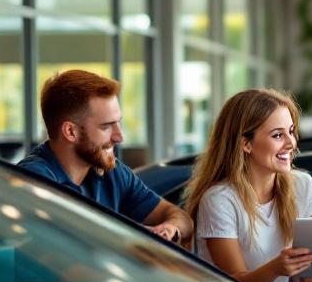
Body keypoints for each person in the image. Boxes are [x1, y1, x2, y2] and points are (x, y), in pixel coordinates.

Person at [18, 69, 192, 243]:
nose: (119, 136)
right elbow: (65, 251)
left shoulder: (111, 171)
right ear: (71, 131)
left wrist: (170, 228)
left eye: (118, 123)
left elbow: (181, 219)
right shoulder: (34, 180)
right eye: (106, 126)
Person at [184, 89, 312, 282]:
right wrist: (275, 268)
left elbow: (311, 273)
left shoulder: (303, 185)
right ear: (246, 144)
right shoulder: (219, 200)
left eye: (291, 131)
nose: (291, 143)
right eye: (278, 135)